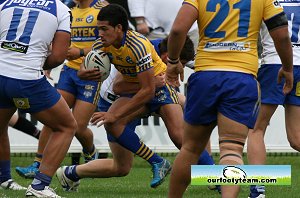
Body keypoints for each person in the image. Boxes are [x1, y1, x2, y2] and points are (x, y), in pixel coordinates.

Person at [165, 0, 293, 198]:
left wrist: (173, 61)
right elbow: (282, 35)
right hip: (241, 77)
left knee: (190, 149)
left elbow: (177, 30)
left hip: (206, 75)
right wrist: (287, 68)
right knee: (232, 150)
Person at [14, 0, 109, 179]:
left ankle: (91, 153)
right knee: (52, 118)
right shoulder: (68, 9)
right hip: (68, 72)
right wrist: (48, 65)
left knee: (79, 127)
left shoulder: (101, 8)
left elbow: (110, 42)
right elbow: (55, 40)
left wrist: (81, 53)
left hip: (91, 75)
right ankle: (37, 163)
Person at [0, 0, 76, 197]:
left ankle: (4, 179)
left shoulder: (5, 3)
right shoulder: (60, 8)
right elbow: (59, 56)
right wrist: (33, 63)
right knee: (66, 126)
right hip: (27, 79)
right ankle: (39, 186)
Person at [247, 1, 300, 198]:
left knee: (256, 129)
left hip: (275, 65)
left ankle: (258, 190)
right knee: (296, 138)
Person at [127, 0, 199, 51]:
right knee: (155, 66)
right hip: (155, 33)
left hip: (189, 30)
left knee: (190, 63)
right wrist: (140, 21)